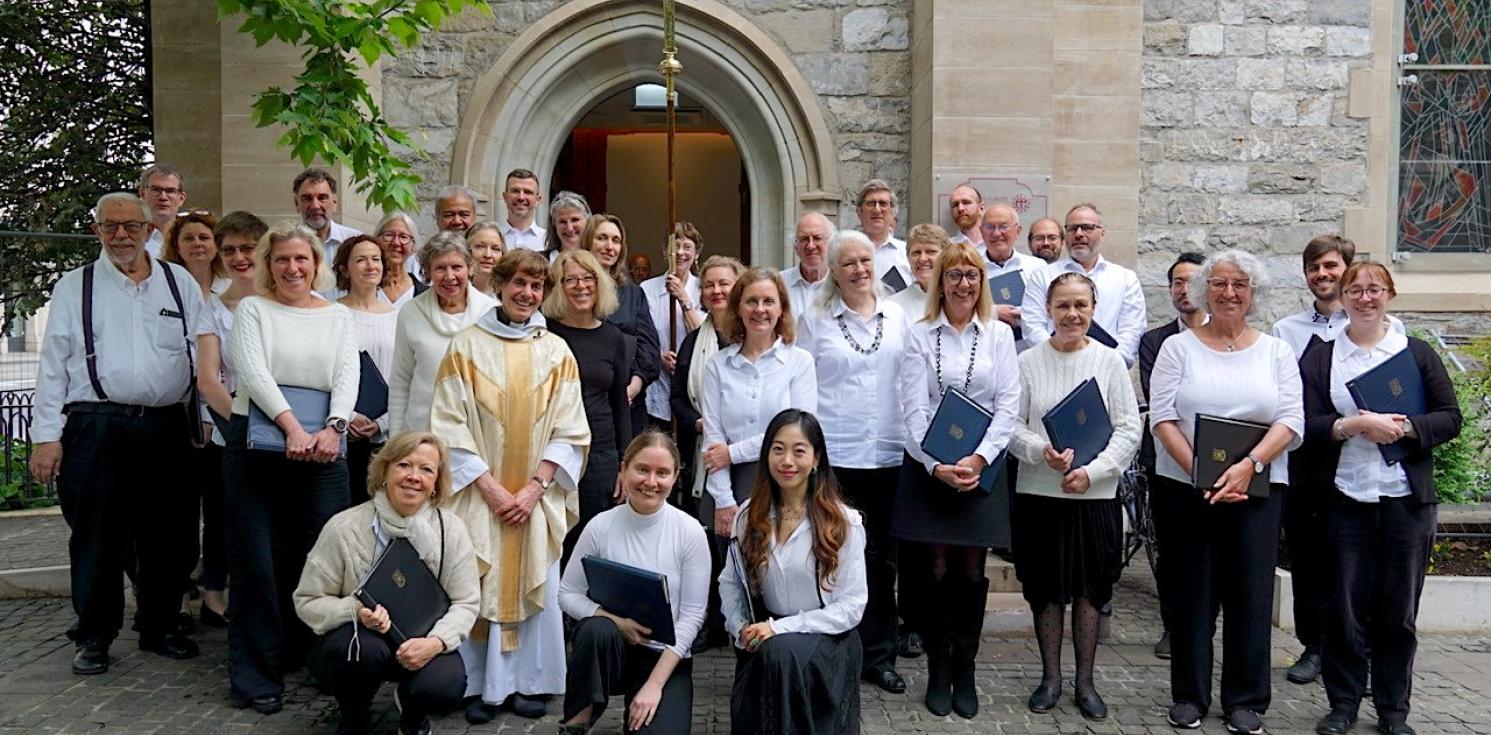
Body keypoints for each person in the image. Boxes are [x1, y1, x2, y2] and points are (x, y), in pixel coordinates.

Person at [31, 192, 205, 675]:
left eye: (131, 226)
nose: (121, 235)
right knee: (97, 536)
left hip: (167, 427)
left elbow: (203, 352)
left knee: (168, 534)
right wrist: (47, 435)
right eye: (110, 227)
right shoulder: (75, 286)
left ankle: (159, 626)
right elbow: (53, 364)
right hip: (96, 424)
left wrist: (204, 419)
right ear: (97, 232)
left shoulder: (178, 283)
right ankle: (94, 635)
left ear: (151, 229)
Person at [1298, 262, 1461, 735]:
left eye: (1374, 289)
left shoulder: (1417, 353)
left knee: (1398, 613)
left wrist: (1407, 428)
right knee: (1343, 608)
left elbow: (1450, 417)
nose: (1365, 298)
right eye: (1355, 290)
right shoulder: (1321, 358)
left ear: (1389, 293)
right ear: (1342, 297)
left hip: (1405, 501)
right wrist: (1353, 426)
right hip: (1344, 498)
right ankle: (1343, 705)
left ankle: (1393, 710)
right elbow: (1304, 424)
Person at [428, 249, 590, 723]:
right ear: (499, 285)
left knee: (532, 578)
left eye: (536, 286)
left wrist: (535, 489)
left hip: (534, 499)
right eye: (518, 283)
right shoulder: (465, 346)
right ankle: (479, 685)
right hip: (481, 495)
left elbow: (571, 429)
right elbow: (447, 425)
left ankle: (527, 683)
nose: (526, 293)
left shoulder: (556, 350)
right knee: (478, 583)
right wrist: (492, 490)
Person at [1148, 249, 1304, 735]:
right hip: (1188, 490)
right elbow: (1162, 418)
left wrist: (1249, 466)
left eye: (1239, 284)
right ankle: (1190, 696)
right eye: (1219, 283)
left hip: (1257, 491)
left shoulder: (1276, 350)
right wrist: (1205, 475)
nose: (1229, 292)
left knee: (1250, 594)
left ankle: (1245, 700)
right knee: (1191, 591)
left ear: (1253, 292)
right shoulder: (1179, 349)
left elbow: (1292, 420)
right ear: (1203, 291)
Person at [223, 220, 361, 714]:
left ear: (316, 264)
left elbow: (349, 373)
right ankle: (256, 674)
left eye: (301, 258)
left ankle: (319, 659)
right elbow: (253, 371)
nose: (292, 267)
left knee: (322, 557)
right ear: (268, 265)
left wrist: (333, 427)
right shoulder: (254, 309)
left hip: (324, 447)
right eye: (282, 259)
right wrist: (291, 428)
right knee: (257, 561)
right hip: (258, 447)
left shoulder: (339, 315)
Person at [1007, 272, 1141, 721]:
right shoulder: (1028, 363)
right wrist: (1037, 451)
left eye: (1081, 305)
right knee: (1045, 590)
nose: (1072, 314)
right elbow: (1012, 426)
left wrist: (1094, 471)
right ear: (1047, 309)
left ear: (1093, 309)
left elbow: (1128, 428)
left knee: (1089, 590)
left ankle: (1086, 682)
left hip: (1094, 497)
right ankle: (1050, 678)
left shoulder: (1109, 363)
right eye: (1063, 305)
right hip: (1039, 493)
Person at [894, 241, 1020, 719]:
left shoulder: (998, 337)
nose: (963, 283)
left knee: (971, 572)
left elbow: (1008, 404)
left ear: (982, 282)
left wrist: (980, 459)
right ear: (939, 282)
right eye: (954, 275)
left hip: (980, 471)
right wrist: (937, 464)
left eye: (972, 275)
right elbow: (912, 410)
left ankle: (965, 668)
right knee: (936, 571)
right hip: (932, 469)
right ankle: (938, 667)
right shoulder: (920, 334)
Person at [1273, 234, 1405, 686]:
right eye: (1314, 268)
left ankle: (1360, 652)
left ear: (1347, 270)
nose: (1322, 275)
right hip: (1310, 462)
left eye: (1331, 266)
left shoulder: (1390, 329)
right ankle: (1314, 645)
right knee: (1310, 559)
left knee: (1362, 565)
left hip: (1368, 463)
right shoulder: (1286, 331)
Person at [294, 432, 481, 735]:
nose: (413, 477)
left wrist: (435, 643)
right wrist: (355, 610)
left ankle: (412, 717)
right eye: (403, 465)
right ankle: (355, 717)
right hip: (363, 641)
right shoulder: (344, 527)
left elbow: (466, 602)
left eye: (426, 470)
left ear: (436, 483)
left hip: (422, 637)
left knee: (444, 684)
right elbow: (307, 600)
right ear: (384, 472)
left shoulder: (452, 530)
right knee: (357, 653)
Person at [795, 229, 910, 694]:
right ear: (833, 272)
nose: (860, 270)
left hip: (888, 453)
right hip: (836, 457)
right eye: (849, 263)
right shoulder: (815, 319)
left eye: (866, 260)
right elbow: (803, 387)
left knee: (881, 560)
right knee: (831, 557)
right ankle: (833, 650)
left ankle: (879, 654)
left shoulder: (899, 316)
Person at [720, 409, 868, 735]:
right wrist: (740, 626)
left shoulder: (843, 523)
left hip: (827, 638)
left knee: (778, 652)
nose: (787, 460)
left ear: (816, 459)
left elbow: (852, 607)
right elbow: (730, 582)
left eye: (799, 450)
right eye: (777, 449)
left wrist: (781, 628)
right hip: (768, 635)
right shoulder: (748, 515)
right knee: (773, 652)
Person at [558, 432, 711, 735]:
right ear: (624, 469)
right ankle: (577, 722)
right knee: (594, 630)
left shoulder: (690, 532)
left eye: (662, 473)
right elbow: (567, 593)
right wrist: (613, 620)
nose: (651, 482)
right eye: (642, 469)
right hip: (612, 649)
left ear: (675, 476)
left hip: (666, 657)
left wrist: (654, 686)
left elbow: (692, 616)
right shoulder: (600, 526)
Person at [699, 268, 818, 539]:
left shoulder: (799, 362)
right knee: (730, 577)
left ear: (781, 309)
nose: (760, 309)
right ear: (738, 308)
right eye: (751, 301)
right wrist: (724, 501)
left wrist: (732, 453)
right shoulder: (718, 365)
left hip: (785, 482)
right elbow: (713, 439)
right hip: (727, 483)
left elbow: (797, 434)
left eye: (768, 301)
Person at [197, 210, 270, 629]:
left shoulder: (282, 301)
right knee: (240, 529)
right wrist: (244, 426)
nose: (240, 257)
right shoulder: (213, 309)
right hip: (238, 431)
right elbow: (209, 379)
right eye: (230, 250)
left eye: (248, 248)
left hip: (290, 432)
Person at [1137, 251, 1207, 660]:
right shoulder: (1155, 341)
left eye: (1192, 281)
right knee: (1171, 547)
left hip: (1225, 462)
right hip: (1166, 459)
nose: (1184, 289)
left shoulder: (1232, 335)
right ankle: (1173, 625)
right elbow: (1162, 399)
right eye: (1177, 282)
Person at [543, 250, 633, 567]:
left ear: (599, 283)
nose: (581, 286)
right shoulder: (545, 334)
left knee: (594, 543)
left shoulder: (614, 338)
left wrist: (625, 463)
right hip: (555, 453)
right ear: (558, 287)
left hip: (601, 454)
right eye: (570, 280)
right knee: (556, 540)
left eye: (588, 278)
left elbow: (620, 404)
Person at [387, 234, 495, 435]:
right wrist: (396, 439)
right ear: (427, 271)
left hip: (477, 436)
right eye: (440, 268)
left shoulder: (491, 312)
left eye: (457, 267)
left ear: (470, 268)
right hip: (421, 435)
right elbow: (401, 382)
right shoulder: (411, 312)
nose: (449, 276)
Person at [1021, 203, 1146, 366]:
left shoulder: (1125, 279)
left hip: (1108, 370)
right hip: (1054, 367)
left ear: (1102, 234)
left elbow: (1132, 330)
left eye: (1087, 228)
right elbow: (1032, 325)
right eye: (1072, 229)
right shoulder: (1043, 276)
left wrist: (1109, 365)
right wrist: (1059, 360)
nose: (1078, 234)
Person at [332, 234, 399, 506]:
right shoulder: (331, 314)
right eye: (360, 260)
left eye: (375, 259)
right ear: (345, 268)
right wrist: (349, 415)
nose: (370, 266)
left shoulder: (398, 316)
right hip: (341, 430)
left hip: (385, 432)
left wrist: (383, 422)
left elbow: (404, 376)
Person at [585, 213, 663, 436]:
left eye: (616, 240)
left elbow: (648, 346)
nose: (610, 246)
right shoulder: (575, 287)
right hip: (584, 402)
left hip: (628, 403)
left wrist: (634, 387)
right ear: (588, 241)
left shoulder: (632, 292)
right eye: (602, 238)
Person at [642, 222, 704, 431]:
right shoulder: (647, 289)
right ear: (663, 251)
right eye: (674, 246)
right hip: (657, 389)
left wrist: (683, 296)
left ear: (696, 254)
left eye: (687, 247)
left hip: (693, 390)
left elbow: (703, 335)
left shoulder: (704, 288)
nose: (680, 252)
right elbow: (641, 336)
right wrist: (659, 358)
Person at [979, 203, 1046, 351]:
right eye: (990, 227)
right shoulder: (970, 268)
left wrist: (1024, 313)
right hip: (985, 353)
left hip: (1028, 352)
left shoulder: (1037, 267)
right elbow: (957, 310)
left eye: (1003, 227)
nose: (996, 234)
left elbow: (1051, 308)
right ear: (981, 232)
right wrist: (992, 312)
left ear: (1018, 230)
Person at [293, 167, 362, 265]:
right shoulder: (286, 244)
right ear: (296, 204)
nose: (315, 206)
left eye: (322, 198)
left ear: (334, 202)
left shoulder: (355, 241)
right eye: (307, 198)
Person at [887, 223, 948, 324]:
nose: (922, 259)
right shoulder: (893, 306)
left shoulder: (959, 301)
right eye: (916, 253)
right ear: (908, 258)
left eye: (930, 251)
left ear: (946, 256)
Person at [855, 179, 911, 289]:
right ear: (859, 213)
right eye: (870, 203)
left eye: (883, 204)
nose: (877, 209)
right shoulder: (846, 252)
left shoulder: (907, 253)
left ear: (893, 213)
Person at [161, 210, 227, 296]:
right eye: (189, 238)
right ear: (176, 246)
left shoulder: (232, 288)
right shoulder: (164, 289)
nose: (197, 243)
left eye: (204, 238)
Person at [780, 212, 833, 312]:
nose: (810, 246)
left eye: (817, 238)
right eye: (804, 239)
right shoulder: (780, 283)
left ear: (830, 242)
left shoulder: (842, 284)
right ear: (796, 246)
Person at [374, 212, 426, 308]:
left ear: (413, 245)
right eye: (389, 235)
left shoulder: (425, 295)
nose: (396, 242)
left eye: (403, 237)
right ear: (377, 240)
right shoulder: (362, 287)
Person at [139, 163, 187, 258]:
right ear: (142, 194)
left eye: (170, 191)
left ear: (181, 198)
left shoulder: (195, 238)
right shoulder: (129, 239)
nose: (163, 197)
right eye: (156, 190)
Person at [498, 168, 546, 251]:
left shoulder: (547, 240)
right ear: (505, 197)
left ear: (538, 200)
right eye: (515, 191)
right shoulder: (493, 237)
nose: (521, 197)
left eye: (528, 192)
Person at [541, 190, 592, 258]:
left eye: (575, 220)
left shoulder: (598, 260)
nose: (569, 228)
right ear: (554, 225)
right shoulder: (540, 261)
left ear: (588, 221)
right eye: (562, 222)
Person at [465, 221, 505, 296]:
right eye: (480, 246)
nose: (488, 255)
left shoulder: (508, 295)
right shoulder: (456, 292)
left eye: (495, 249)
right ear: (467, 250)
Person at [946, 184, 983, 248]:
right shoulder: (946, 247)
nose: (960, 208)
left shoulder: (997, 244)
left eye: (966, 202)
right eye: (955, 205)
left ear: (981, 207)